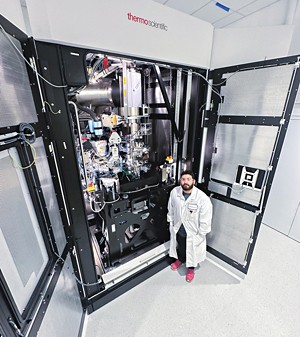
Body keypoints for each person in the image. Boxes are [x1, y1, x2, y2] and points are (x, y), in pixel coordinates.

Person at [167, 170, 213, 283]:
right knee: (181, 246)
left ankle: (191, 269)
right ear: (180, 181)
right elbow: (171, 208)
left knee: (192, 250)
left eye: (188, 179)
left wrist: (202, 233)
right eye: (183, 179)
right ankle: (180, 260)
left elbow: (206, 218)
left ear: (194, 181)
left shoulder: (202, 199)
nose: (185, 182)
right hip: (179, 228)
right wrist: (170, 221)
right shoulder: (174, 192)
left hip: (193, 232)